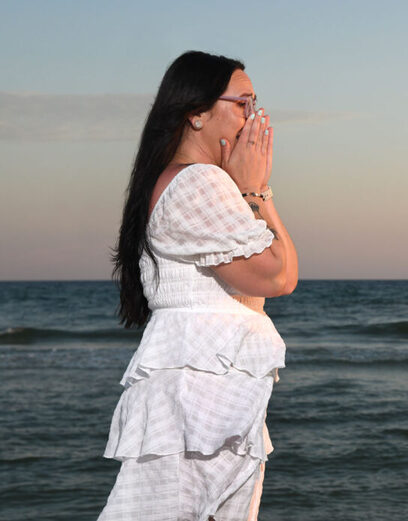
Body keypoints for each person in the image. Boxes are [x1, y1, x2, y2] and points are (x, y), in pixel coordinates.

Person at [104, 50, 298, 521]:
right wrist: (254, 191)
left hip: (204, 398)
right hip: (200, 403)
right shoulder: (197, 183)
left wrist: (255, 192)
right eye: (243, 104)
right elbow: (277, 275)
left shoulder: (196, 181)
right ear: (196, 113)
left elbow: (283, 273)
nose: (255, 119)